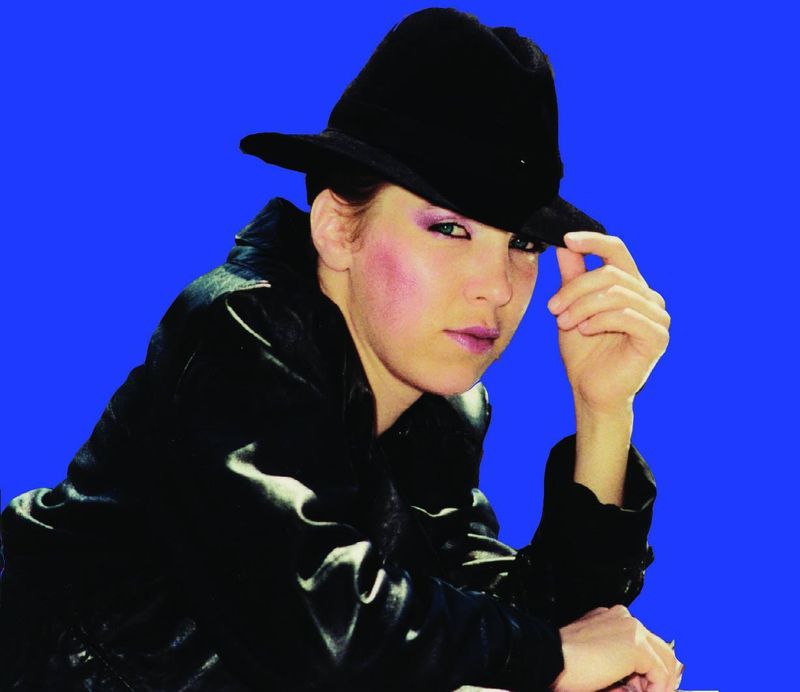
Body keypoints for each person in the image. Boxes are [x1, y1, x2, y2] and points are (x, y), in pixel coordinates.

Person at [0, 8, 680, 691]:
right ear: (335, 228)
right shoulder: (245, 333)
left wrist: (603, 411)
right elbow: (319, 630)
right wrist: (552, 658)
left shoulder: (438, 409)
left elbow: (523, 620)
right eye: (449, 229)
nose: (498, 288)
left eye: (523, 244)